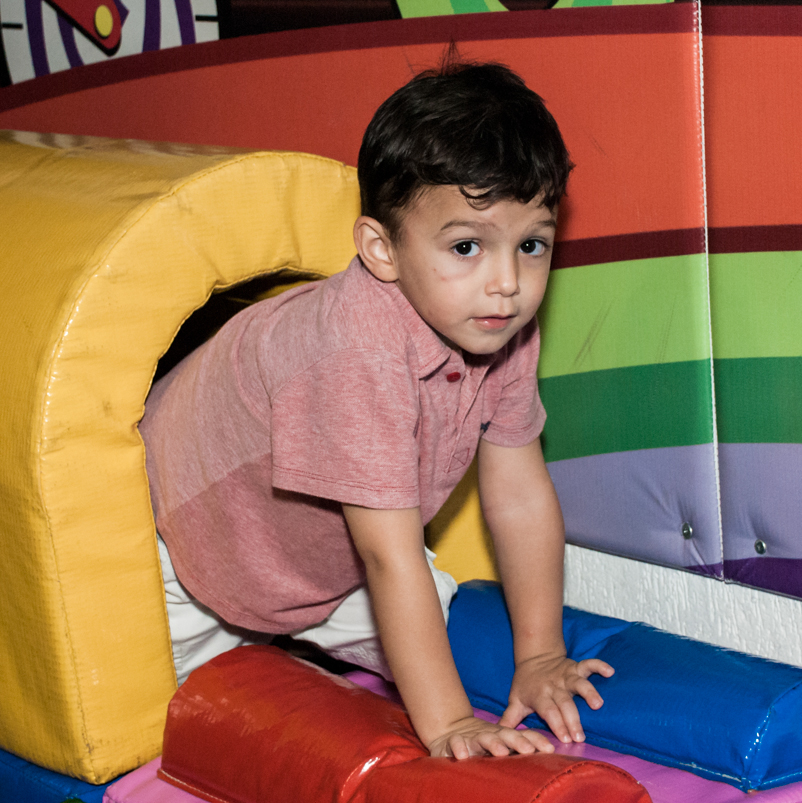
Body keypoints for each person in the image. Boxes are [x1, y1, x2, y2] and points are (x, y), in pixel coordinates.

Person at [140, 59, 613, 761]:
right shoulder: (357, 344)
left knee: (439, 625)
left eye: (532, 245)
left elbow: (517, 491)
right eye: (467, 246)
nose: (508, 284)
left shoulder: (494, 323)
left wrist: (541, 651)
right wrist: (450, 724)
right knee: (171, 738)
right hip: (192, 559)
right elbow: (390, 557)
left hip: (326, 565)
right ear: (381, 249)